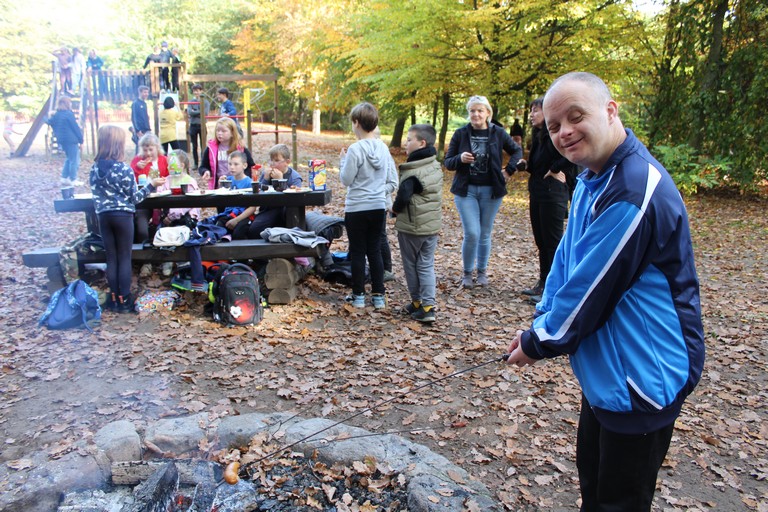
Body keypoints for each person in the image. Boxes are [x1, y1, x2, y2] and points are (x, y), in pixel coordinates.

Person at [504, 72, 705, 512]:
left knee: (618, 502)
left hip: (642, 378)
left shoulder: (633, 191)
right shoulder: (594, 175)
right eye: (554, 125)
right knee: (594, 488)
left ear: (610, 111)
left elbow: (590, 289)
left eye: (576, 117)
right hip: (607, 375)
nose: (564, 132)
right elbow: (567, 258)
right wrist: (543, 316)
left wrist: (539, 341)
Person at [443, 95, 522, 288]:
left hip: (491, 191)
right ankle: (467, 273)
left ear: (487, 113)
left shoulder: (498, 133)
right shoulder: (461, 134)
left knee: (485, 233)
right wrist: (460, 158)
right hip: (466, 191)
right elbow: (448, 162)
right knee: (472, 232)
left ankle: (482, 272)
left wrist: (509, 170)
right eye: (472, 111)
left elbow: (517, 151)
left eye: (480, 110)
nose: (476, 114)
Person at [89, 125, 165, 313]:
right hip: (122, 216)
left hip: (103, 216)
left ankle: (115, 298)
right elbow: (135, 198)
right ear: (118, 145)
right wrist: (150, 185)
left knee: (111, 258)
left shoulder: (94, 169)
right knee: (124, 257)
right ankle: (124, 299)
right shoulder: (123, 169)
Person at [515, 97, 578, 303]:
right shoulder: (538, 135)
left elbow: (571, 154)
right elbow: (538, 165)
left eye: (535, 110)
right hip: (538, 192)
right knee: (541, 241)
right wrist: (526, 165)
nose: (531, 115)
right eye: (531, 110)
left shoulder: (558, 134)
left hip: (553, 194)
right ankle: (543, 283)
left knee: (552, 243)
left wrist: (555, 169)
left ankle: (553, 289)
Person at [339, 102, 398, 309]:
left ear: (356, 123)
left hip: (357, 207)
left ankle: (358, 296)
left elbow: (346, 179)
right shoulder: (383, 148)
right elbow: (391, 179)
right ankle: (379, 296)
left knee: (357, 252)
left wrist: (342, 162)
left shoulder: (355, 149)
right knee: (374, 251)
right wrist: (378, 192)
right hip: (377, 207)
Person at [391, 124, 442, 323]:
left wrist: (394, 210)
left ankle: (420, 303)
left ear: (421, 143)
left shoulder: (414, 170)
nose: (406, 143)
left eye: (409, 140)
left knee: (411, 265)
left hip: (413, 226)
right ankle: (427, 305)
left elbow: (403, 197)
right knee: (426, 264)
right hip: (431, 225)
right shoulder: (434, 164)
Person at [243, 144, 303, 240]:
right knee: (254, 230)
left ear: (287, 162)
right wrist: (265, 179)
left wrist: (281, 180)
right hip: (268, 209)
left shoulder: (294, 177)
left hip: (286, 211)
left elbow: (295, 199)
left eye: (276, 160)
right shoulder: (266, 174)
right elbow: (258, 194)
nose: (272, 163)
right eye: (271, 160)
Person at [130, 133, 169, 245]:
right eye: (145, 150)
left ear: (157, 148)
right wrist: (137, 169)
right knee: (141, 225)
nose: (148, 153)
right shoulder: (137, 161)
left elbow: (170, 177)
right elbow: (131, 181)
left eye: (151, 150)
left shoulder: (164, 160)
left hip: (163, 198)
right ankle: (143, 247)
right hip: (144, 199)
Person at [199, 117, 255, 190]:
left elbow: (250, 166)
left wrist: (243, 179)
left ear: (232, 133)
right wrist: (205, 171)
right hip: (218, 187)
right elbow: (203, 166)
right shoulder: (210, 149)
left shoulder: (241, 149)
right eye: (218, 130)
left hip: (238, 187)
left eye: (224, 131)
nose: (219, 133)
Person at [212, 151, 254, 240]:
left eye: (236, 164)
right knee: (217, 228)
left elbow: (252, 207)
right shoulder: (228, 181)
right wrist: (221, 186)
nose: (232, 167)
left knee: (238, 232)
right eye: (230, 164)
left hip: (243, 216)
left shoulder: (249, 183)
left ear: (244, 165)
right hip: (228, 214)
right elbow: (221, 200)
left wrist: (236, 220)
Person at [46, 96, 84, 188]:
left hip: (62, 140)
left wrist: (50, 115)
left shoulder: (57, 114)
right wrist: (81, 140)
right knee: (74, 160)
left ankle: (64, 177)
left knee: (69, 158)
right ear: (67, 104)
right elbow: (75, 127)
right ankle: (73, 179)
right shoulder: (68, 114)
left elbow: (48, 121)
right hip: (71, 140)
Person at [186, 83, 210, 170]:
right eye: (194, 91)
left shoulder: (205, 102)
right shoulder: (191, 102)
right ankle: (195, 163)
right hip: (193, 125)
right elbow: (189, 112)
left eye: (197, 91)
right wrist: (199, 111)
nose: (196, 92)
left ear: (201, 91)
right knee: (194, 146)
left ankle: (203, 164)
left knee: (203, 145)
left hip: (202, 125)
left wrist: (195, 111)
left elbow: (205, 113)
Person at [131, 85, 151, 155]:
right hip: (140, 130)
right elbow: (134, 117)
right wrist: (137, 130)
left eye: (147, 92)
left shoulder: (144, 103)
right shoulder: (135, 103)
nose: (146, 94)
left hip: (146, 129)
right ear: (140, 92)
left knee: (147, 146)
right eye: (144, 92)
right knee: (139, 147)